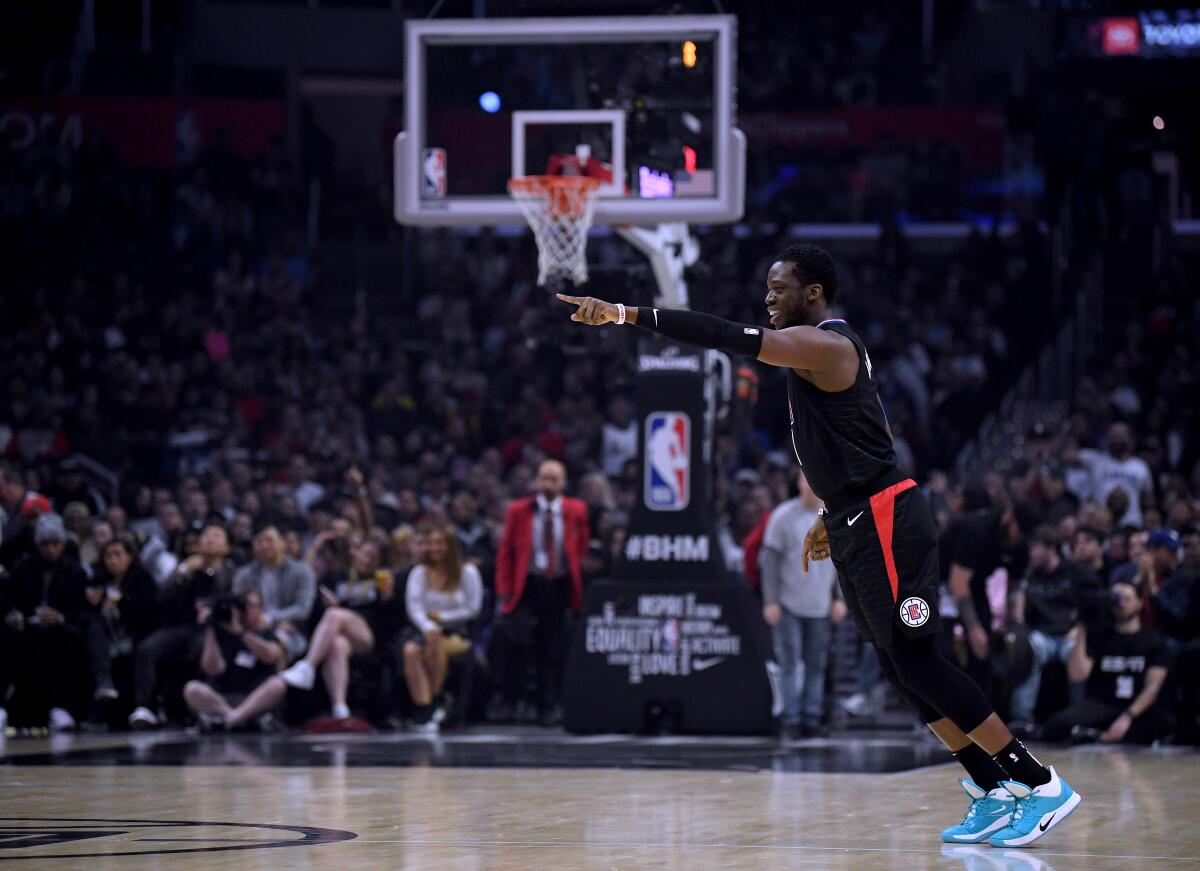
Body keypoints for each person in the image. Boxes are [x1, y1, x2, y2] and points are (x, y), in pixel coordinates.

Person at [557, 242, 1079, 848]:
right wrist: (834, 511)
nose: (768, 298)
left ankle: (1037, 782)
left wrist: (623, 314)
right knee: (896, 666)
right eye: (767, 288)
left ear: (813, 293)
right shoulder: (822, 358)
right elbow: (870, 434)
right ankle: (991, 787)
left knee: (919, 659)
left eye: (779, 288)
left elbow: (727, 335)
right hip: (860, 515)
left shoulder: (826, 344)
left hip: (888, 518)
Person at [492, 459, 589, 726]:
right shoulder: (518, 510)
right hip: (527, 585)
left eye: (554, 478)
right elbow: (506, 553)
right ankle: (517, 702)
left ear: (564, 482)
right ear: (536, 481)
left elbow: (580, 549)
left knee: (553, 648)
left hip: (558, 586)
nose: (548, 483)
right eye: (544, 478)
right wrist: (504, 591)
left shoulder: (576, 510)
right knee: (519, 642)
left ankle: (549, 705)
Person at [760, 469, 846, 738]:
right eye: (804, 478)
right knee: (789, 663)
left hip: (820, 605)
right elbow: (770, 563)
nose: (809, 484)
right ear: (798, 483)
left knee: (816, 664)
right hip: (788, 606)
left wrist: (839, 598)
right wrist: (771, 600)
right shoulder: (782, 517)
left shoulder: (833, 516)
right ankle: (791, 719)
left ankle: (810, 717)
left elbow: (841, 563)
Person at [129, 523, 235, 728]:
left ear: (226, 547)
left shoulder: (230, 570)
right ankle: (145, 707)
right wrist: (184, 570)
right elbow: (163, 596)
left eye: (216, 535)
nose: (209, 539)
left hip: (212, 629)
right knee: (147, 648)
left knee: (202, 650)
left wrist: (213, 569)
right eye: (206, 535)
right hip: (180, 627)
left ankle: (201, 709)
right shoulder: (186, 566)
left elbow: (227, 596)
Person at [1041, 581, 1172, 744]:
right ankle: (1098, 735)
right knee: (1058, 724)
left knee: (1164, 724)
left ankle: (1096, 736)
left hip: (1135, 707)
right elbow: (1077, 676)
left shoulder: (1154, 641)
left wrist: (1128, 716)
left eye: (1127, 598)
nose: (1121, 603)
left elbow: (1152, 688)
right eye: (1117, 598)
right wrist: (1082, 627)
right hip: (1101, 703)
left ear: (1139, 603)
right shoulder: (1100, 636)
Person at [0, 513, 92, 731]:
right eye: (45, 544)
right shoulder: (24, 566)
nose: (50, 549)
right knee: (3, 637)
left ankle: (58, 707)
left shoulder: (75, 571)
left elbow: (81, 610)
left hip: (61, 628)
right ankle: (2, 705)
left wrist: (59, 617)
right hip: (27, 627)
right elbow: (9, 598)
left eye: (55, 543)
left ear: (63, 543)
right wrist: (13, 614)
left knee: (66, 640)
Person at [276, 540, 383, 720]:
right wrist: (327, 605)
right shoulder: (336, 577)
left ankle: (308, 665)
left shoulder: (382, 581)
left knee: (335, 614)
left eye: (373, 558)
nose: (367, 561)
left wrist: (386, 596)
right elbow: (316, 611)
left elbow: (387, 615)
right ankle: (339, 707)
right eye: (365, 555)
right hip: (341, 634)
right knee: (336, 645)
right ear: (355, 554)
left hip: (367, 634)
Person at [1007, 527, 1097, 727]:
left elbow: (1092, 602)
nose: (1031, 554)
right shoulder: (1031, 576)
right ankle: (1021, 719)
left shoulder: (1072, 571)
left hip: (1071, 634)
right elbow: (1022, 615)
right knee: (1028, 649)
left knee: (1077, 654)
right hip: (1043, 636)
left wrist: (1079, 626)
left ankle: (1080, 719)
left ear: (1051, 549)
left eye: (1035, 548)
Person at [940, 503, 1031, 695]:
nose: (1019, 537)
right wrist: (973, 629)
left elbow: (1014, 588)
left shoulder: (1021, 546)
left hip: (975, 583)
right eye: (1018, 530)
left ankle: (978, 710)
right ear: (1008, 517)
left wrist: (1010, 622)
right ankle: (934, 715)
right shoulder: (977, 531)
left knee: (984, 650)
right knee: (944, 647)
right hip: (939, 580)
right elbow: (957, 582)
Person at [401, 525, 483, 731]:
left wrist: (442, 618)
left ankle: (435, 701)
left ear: (450, 546)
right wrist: (428, 626)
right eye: (430, 543)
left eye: (439, 543)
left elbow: (473, 608)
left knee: (434, 645)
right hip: (424, 628)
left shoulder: (467, 572)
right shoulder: (419, 572)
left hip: (456, 629)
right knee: (410, 651)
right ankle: (425, 706)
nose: (434, 548)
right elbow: (414, 606)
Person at [183, 590, 284, 730]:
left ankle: (232, 719)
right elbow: (213, 668)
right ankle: (238, 718)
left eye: (252, 606)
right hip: (222, 700)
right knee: (192, 688)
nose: (247, 611)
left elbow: (270, 656)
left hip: (254, 699)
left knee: (277, 684)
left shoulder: (265, 633)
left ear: (260, 609)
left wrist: (241, 632)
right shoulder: (220, 634)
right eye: (243, 607)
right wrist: (210, 627)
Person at [233, 525, 317, 662]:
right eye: (259, 541)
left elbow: (303, 609)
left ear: (282, 543)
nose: (264, 545)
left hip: (290, 627)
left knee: (280, 637)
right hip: (251, 627)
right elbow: (237, 605)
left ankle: (278, 679)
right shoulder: (244, 574)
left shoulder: (302, 572)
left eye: (269, 540)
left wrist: (271, 619)